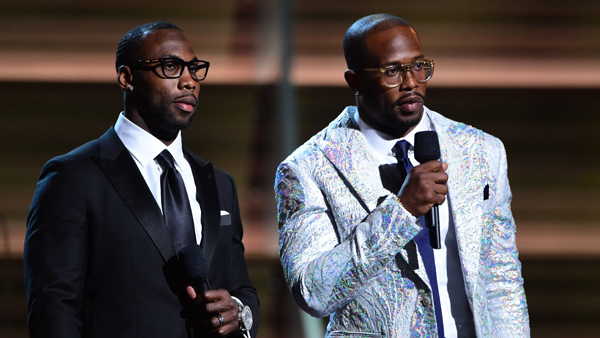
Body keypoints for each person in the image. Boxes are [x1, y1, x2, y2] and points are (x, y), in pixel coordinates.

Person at [274, 13, 529, 337]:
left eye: (419, 66)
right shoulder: (308, 167)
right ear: (354, 81)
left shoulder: (481, 150)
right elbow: (313, 291)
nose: (410, 83)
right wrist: (400, 211)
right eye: (392, 71)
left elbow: (502, 278)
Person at [24, 22, 258, 338]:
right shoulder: (72, 178)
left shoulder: (220, 184)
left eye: (194, 69)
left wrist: (239, 313)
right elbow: (54, 311)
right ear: (126, 77)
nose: (189, 81)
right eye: (171, 66)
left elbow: (241, 288)